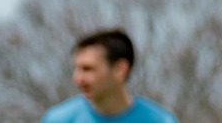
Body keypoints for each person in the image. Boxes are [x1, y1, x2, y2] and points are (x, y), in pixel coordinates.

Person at [42, 30, 176, 123]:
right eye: (77, 69)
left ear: (120, 69)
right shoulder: (57, 120)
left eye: (88, 69)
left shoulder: (161, 121)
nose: (78, 79)